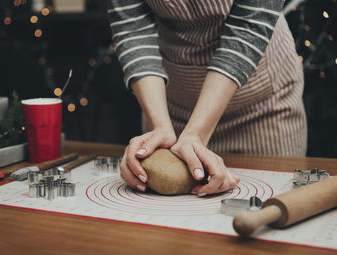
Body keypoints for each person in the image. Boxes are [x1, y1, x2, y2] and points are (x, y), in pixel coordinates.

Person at [107, 0, 307, 196]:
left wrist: (196, 135)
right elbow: (134, 30)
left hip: (261, 106)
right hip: (170, 107)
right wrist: (160, 125)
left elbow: (248, 28)